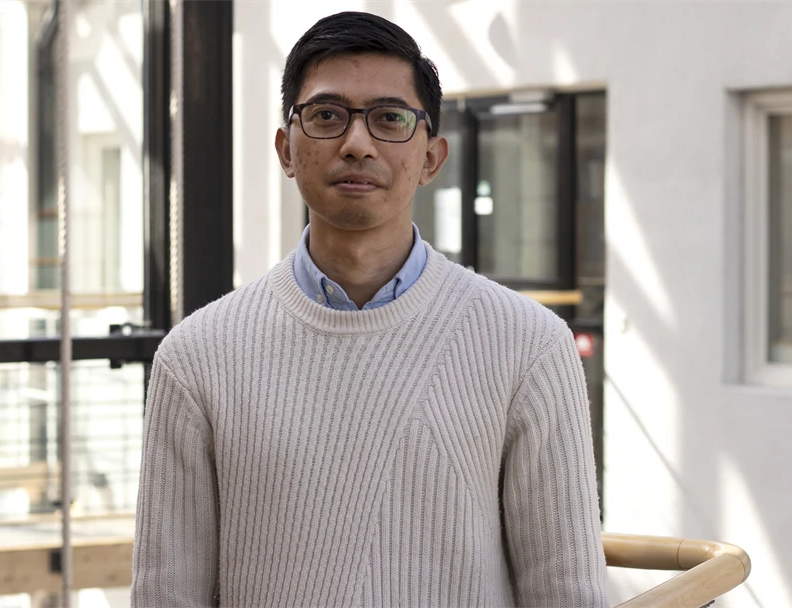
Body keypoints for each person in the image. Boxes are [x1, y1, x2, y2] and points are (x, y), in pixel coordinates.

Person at [132, 11, 609, 607]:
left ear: (432, 158)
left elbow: (568, 591)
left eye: (389, 119)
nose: (357, 143)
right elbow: (166, 596)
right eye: (327, 116)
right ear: (286, 148)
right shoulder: (196, 356)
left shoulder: (529, 344)